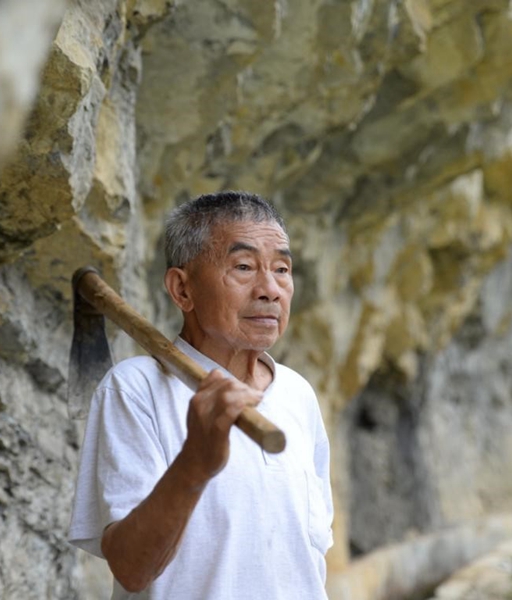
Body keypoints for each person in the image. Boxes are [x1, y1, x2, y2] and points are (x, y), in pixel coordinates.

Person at [68, 191, 333, 599]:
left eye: (282, 269)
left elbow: (308, 564)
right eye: (244, 267)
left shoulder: (298, 395)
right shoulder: (136, 389)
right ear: (182, 289)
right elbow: (132, 569)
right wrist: (195, 462)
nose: (270, 290)